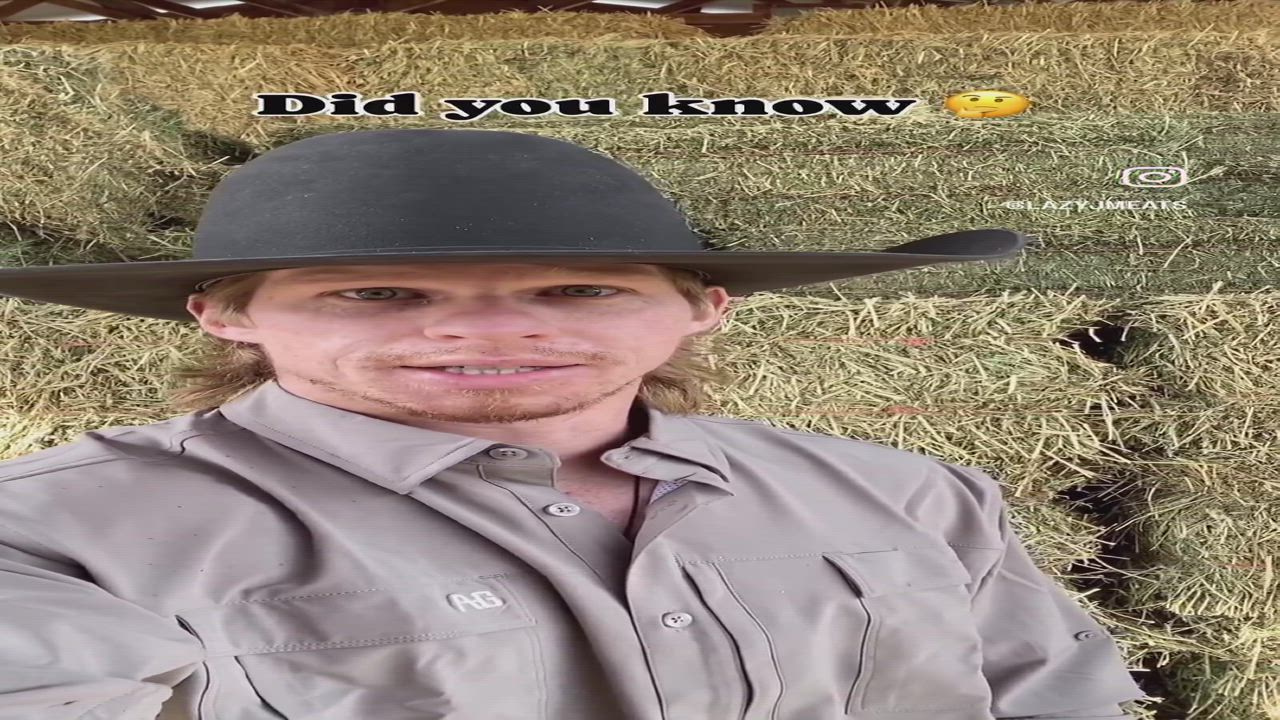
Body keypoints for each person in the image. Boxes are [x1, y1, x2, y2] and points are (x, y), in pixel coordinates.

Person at [0, 128, 1145, 719]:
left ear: (701, 309)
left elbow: (1055, 700)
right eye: (376, 292)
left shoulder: (907, 496)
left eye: (579, 288)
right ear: (224, 314)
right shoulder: (53, 542)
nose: (489, 329)